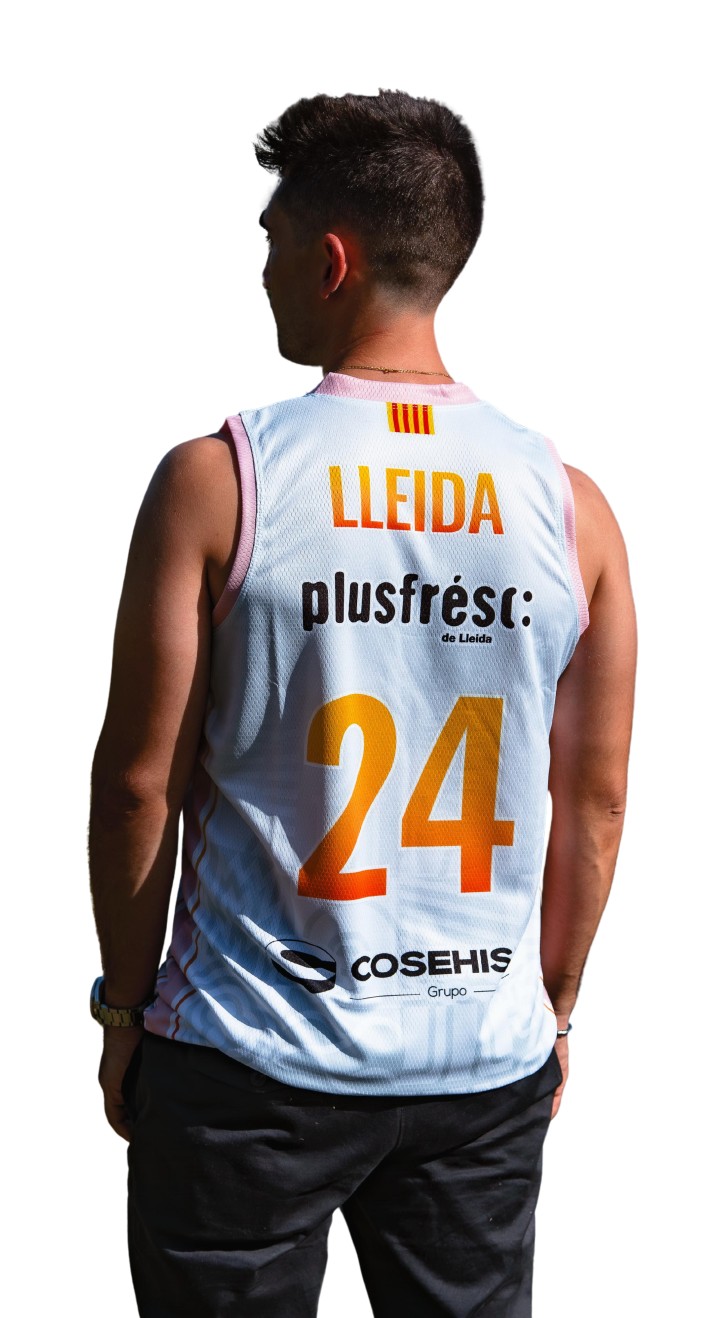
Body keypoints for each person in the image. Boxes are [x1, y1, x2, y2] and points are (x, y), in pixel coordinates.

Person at [89, 89, 636, 1317]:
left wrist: (123, 1007)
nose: (264, 271)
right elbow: (594, 799)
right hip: (478, 1062)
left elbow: (137, 784)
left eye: (274, 240)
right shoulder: (573, 508)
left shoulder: (219, 481)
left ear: (330, 261)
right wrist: (547, 1010)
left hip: (247, 1055)